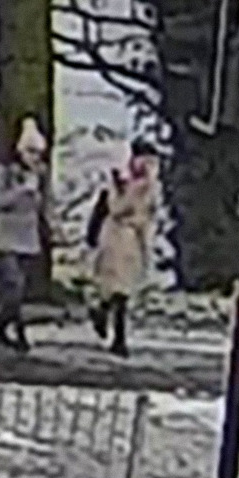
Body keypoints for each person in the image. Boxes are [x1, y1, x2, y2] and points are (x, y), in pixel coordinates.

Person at [88, 139, 159, 357]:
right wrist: (124, 190)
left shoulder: (149, 184)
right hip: (117, 236)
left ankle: (103, 311)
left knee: (124, 289)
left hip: (135, 238)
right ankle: (118, 337)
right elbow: (116, 208)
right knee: (119, 288)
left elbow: (149, 211)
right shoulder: (123, 183)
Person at [0, 116, 50, 352]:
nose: (35, 158)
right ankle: (18, 332)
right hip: (6, 235)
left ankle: (1, 328)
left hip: (27, 236)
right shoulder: (5, 173)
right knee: (13, 282)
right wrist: (22, 191)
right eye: (31, 153)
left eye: (38, 153)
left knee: (18, 288)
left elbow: (42, 208)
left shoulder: (40, 174)